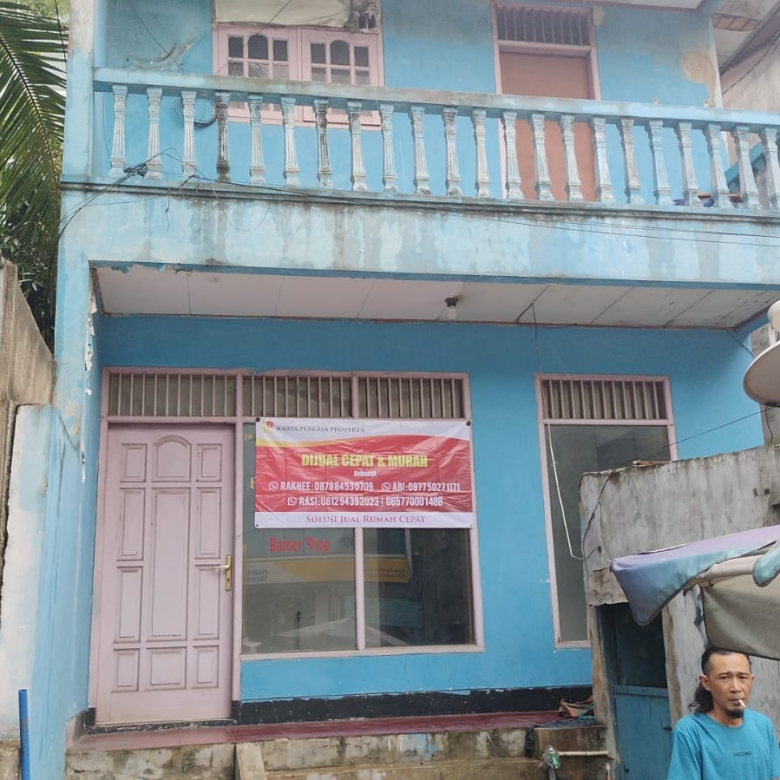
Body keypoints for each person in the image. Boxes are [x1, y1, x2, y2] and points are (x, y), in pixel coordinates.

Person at [666, 646, 780, 780]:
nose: (736, 688)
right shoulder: (690, 732)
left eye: (742, 677)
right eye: (725, 678)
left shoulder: (763, 725)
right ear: (706, 683)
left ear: (751, 680)